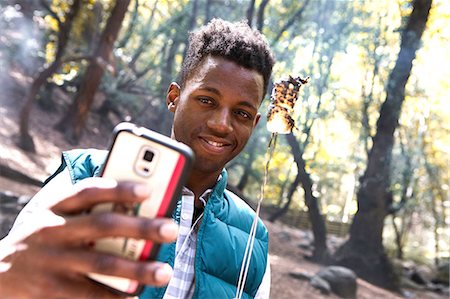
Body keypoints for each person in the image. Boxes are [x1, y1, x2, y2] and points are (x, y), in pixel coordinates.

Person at [0, 18, 275, 299]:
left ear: (253, 125)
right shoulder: (84, 178)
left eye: (241, 113)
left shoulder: (253, 238)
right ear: (174, 98)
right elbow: (12, 273)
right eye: (206, 100)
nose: (221, 124)